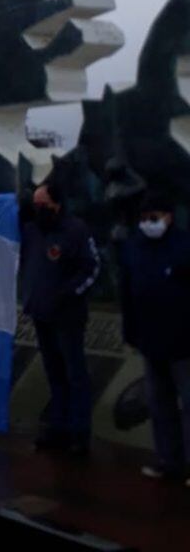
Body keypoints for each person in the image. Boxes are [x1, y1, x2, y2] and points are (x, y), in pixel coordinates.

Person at [20, 179, 100, 455]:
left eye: (43, 204)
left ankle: (80, 433)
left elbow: (91, 268)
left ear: (56, 204)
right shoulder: (31, 231)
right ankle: (59, 427)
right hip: (41, 314)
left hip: (68, 316)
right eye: (35, 205)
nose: (38, 209)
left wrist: (67, 294)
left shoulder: (75, 230)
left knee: (75, 374)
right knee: (54, 374)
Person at [120, 191, 190, 484]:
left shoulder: (184, 246)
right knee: (160, 407)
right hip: (150, 341)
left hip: (184, 343)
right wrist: (131, 331)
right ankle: (168, 461)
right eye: (144, 218)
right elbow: (127, 289)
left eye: (154, 218)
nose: (148, 223)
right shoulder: (134, 247)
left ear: (168, 217)